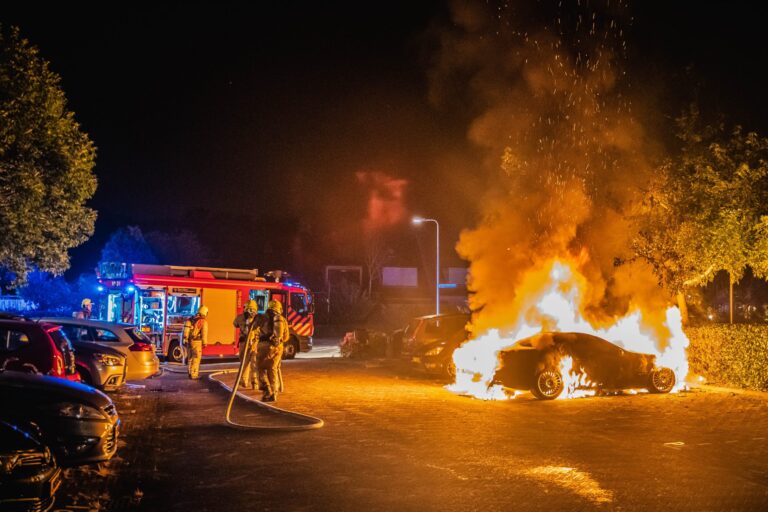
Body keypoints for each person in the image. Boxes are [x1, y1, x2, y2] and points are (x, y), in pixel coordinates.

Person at [256, 300, 289, 402]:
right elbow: (286, 336)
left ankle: (266, 388)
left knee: (259, 367)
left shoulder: (262, 318)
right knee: (272, 369)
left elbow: (253, 328)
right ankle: (274, 392)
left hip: (263, 346)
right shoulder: (282, 319)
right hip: (277, 348)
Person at [233, 299, 260, 388]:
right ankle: (255, 383)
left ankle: (244, 381)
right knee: (254, 363)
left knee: (244, 362)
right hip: (254, 343)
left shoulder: (240, 317)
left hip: (243, 343)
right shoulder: (258, 318)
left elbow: (235, 324)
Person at [183, 305, 209, 379]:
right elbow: (204, 333)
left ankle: (189, 372)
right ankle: (194, 374)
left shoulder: (191, 319)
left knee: (190, 358)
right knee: (196, 358)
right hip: (197, 342)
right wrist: (204, 343)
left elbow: (186, 331)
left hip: (189, 341)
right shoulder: (203, 321)